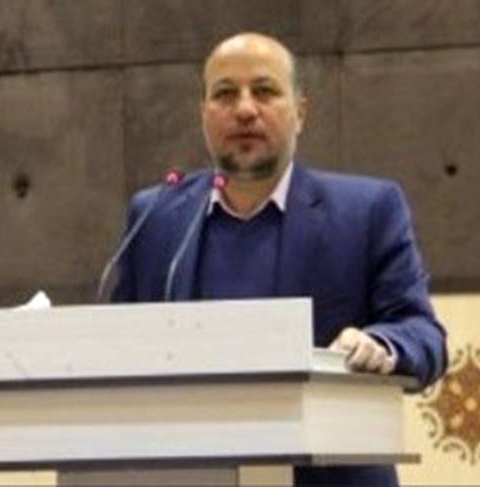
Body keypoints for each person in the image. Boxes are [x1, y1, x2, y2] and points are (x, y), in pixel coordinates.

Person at [112, 32, 446, 487]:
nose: (245, 110)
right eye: (225, 94)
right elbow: (121, 349)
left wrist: (382, 345)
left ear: (300, 112)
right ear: (203, 113)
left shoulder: (366, 211)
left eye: (264, 91)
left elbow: (424, 335)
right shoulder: (156, 217)